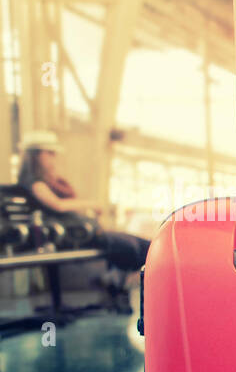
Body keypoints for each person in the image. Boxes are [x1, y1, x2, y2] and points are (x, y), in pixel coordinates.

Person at [16, 131, 150, 309]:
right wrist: (91, 204)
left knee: (142, 244)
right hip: (71, 234)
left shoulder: (49, 181)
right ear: (35, 156)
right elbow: (59, 206)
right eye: (49, 153)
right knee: (130, 246)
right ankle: (113, 282)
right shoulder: (36, 184)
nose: (53, 158)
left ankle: (114, 281)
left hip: (80, 230)